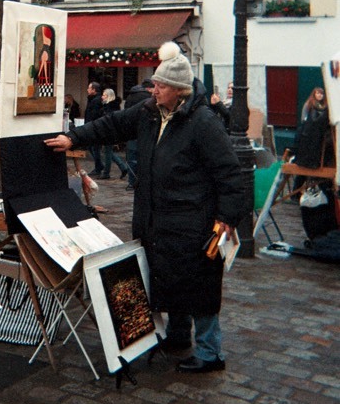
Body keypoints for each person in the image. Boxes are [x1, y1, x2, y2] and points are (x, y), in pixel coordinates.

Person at [45, 42, 244, 373]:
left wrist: (226, 219)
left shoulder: (204, 123)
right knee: (168, 278)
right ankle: (179, 337)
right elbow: (111, 126)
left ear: (179, 91)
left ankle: (211, 353)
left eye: (161, 85)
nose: (154, 89)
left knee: (199, 286)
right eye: (154, 83)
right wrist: (74, 139)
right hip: (156, 218)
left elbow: (229, 174)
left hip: (193, 220)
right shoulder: (149, 112)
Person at [123, 78, 153, 190]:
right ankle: (142, 182)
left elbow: (126, 112)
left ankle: (131, 181)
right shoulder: (149, 98)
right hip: (145, 131)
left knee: (131, 158)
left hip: (132, 130)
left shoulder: (131, 95)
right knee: (144, 157)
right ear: (149, 88)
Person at [294, 86, 332, 170]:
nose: (320, 95)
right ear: (314, 94)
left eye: (321, 94)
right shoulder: (309, 104)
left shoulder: (324, 106)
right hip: (308, 130)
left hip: (318, 131)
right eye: (318, 93)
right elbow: (304, 117)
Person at [98, 88, 128, 180]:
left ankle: (107, 172)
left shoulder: (110, 107)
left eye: (104, 95)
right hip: (109, 130)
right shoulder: (108, 106)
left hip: (109, 131)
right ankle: (122, 167)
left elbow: (109, 119)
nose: (102, 97)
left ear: (109, 96)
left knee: (107, 151)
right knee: (108, 151)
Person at [84, 81, 104, 176]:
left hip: (93, 127)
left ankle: (98, 166)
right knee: (92, 147)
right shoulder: (92, 99)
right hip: (92, 125)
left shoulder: (96, 100)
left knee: (94, 148)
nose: (87, 89)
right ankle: (99, 165)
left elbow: (94, 114)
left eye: (89, 88)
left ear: (94, 90)